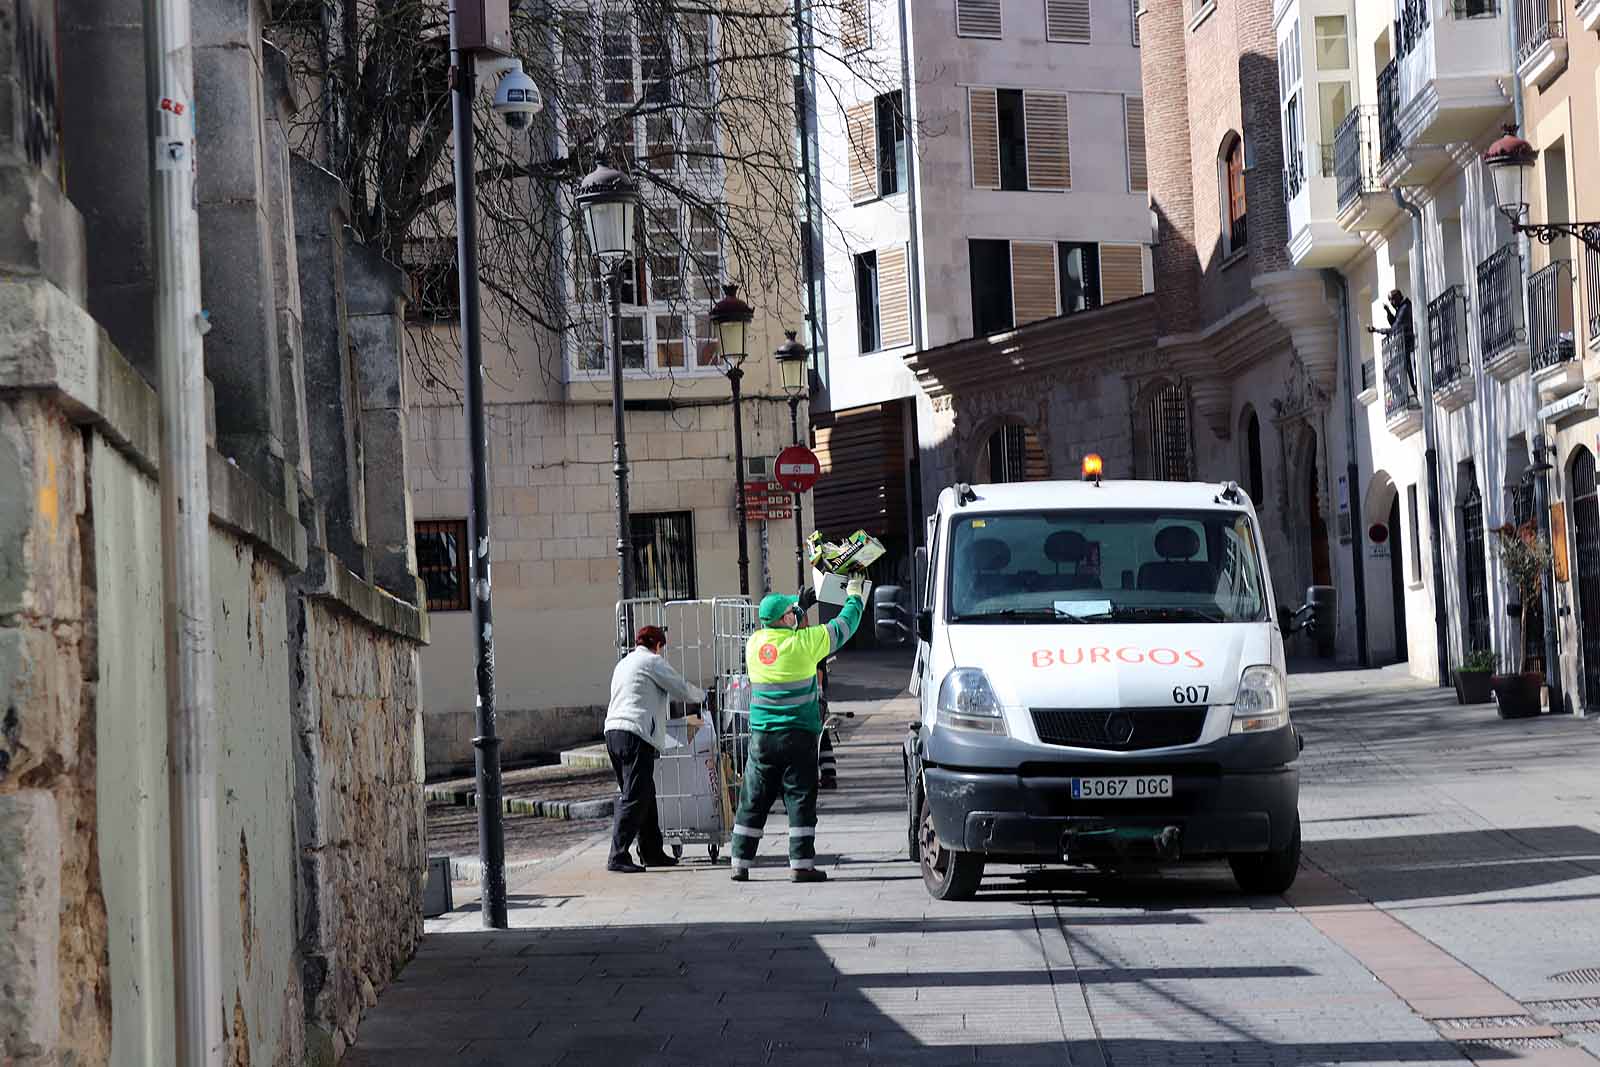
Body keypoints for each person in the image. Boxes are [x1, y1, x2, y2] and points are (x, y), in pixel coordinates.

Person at [729, 579, 865, 883]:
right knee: (801, 799)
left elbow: (781, 624)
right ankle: (801, 865)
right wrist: (855, 595)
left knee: (753, 798)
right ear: (785, 619)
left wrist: (799, 606)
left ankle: (739, 861)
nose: (796, 615)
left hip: (762, 738)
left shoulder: (754, 645)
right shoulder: (805, 644)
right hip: (799, 735)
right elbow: (845, 625)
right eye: (792, 613)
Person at [603, 625, 705, 874]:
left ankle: (652, 852)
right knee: (635, 796)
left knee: (645, 794)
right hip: (635, 733)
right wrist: (703, 697)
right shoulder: (652, 662)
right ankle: (617, 855)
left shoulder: (624, 663)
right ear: (658, 645)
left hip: (613, 732)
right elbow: (679, 687)